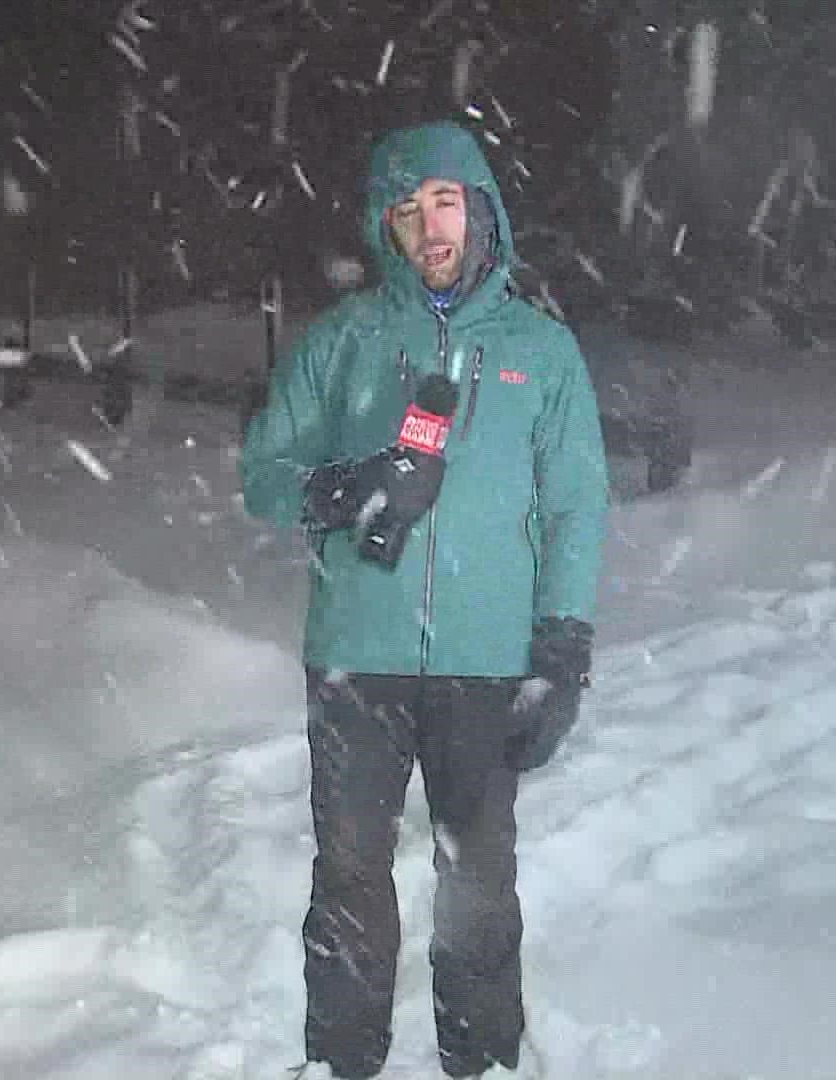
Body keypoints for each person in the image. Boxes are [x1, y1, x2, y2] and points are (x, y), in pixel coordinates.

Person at [239, 120, 611, 1078]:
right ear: (385, 230)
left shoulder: (543, 353)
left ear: (481, 210)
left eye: (445, 201)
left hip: (487, 665)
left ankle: (482, 1063)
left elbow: (576, 506)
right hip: (356, 658)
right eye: (406, 211)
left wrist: (561, 646)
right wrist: (346, 486)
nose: (429, 226)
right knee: (352, 881)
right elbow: (265, 474)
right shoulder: (345, 343)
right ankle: (341, 1064)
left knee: (477, 882)